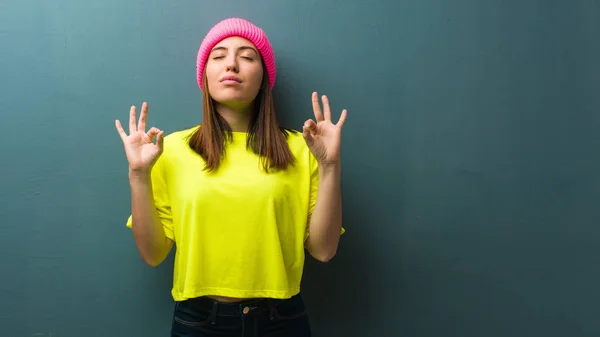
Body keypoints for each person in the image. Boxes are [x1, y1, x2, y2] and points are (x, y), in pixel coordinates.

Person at [115, 17, 347, 337]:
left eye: (247, 56)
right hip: (198, 321)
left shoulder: (303, 148)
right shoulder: (169, 150)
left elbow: (324, 249)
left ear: (263, 76)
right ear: (205, 75)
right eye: (219, 55)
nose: (232, 64)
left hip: (281, 321)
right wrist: (139, 175)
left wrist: (330, 165)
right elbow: (152, 254)